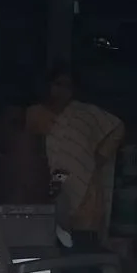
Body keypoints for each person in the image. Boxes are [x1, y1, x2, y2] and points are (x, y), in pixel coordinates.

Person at [26, 64, 124, 243]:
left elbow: (117, 127)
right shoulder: (34, 114)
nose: (62, 91)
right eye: (58, 84)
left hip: (84, 183)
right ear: (48, 85)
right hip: (45, 183)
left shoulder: (86, 114)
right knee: (48, 237)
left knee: (84, 242)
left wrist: (101, 157)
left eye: (67, 87)